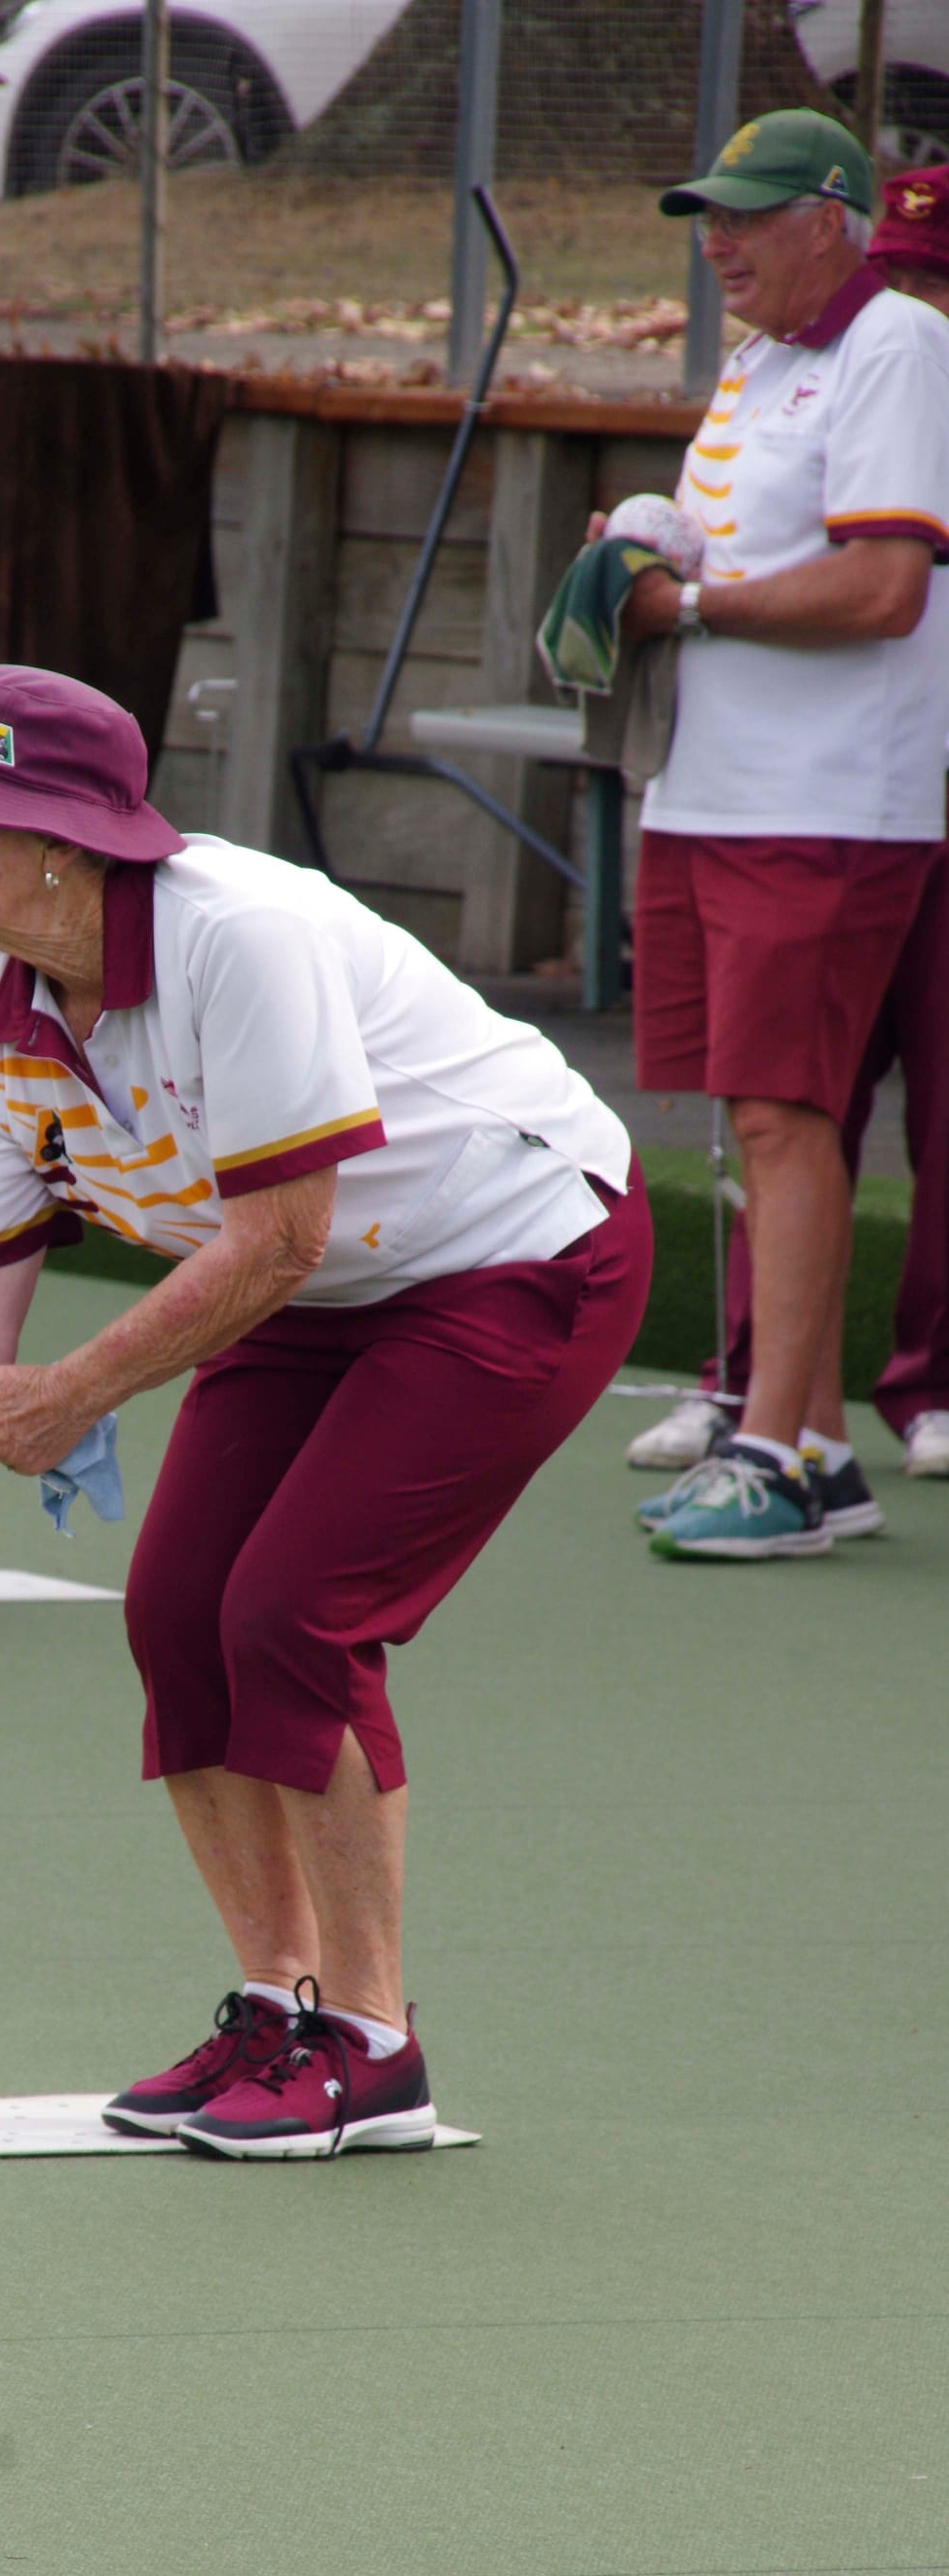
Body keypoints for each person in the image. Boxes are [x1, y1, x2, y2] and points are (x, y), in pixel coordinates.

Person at [0, 664, 648, 2157]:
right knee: (174, 1613)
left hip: (517, 1253)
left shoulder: (240, 938)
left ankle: (375, 2047)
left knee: (293, 1616)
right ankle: (281, 2008)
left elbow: (277, 1237)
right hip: (321, 1285)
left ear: (62, 845)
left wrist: (77, 1389)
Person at [623, 111, 949, 1558]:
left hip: (822, 803)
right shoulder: (759, 359)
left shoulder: (897, 345)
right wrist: (634, 557)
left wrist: (685, 604)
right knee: (755, 1117)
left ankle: (768, 1457)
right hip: (710, 791)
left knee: (783, 1115)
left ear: (833, 219)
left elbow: (883, 589)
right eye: (709, 217)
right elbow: (743, 547)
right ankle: (813, 1447)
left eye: (747, 216)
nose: (718, 243)